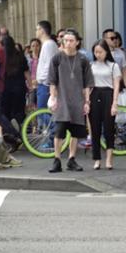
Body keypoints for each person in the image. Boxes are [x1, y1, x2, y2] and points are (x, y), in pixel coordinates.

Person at [46, 29, 94, 173]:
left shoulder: (83, 60)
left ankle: (72, 159)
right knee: (59, 132)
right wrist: (53, 98)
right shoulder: (57, 58)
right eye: (65, 40)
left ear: (77, 42)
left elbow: (87, 83)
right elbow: (52, 81)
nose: (67, 43)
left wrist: (87, 102)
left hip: (78, 101)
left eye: (71, 40)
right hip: (62, 100)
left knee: (75, 132)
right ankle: (57, 159)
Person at [88, 40, 121, 171]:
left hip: (108, 94)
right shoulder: (90, 65)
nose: (98, 54)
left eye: (100, 52)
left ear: (106, 51)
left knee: (109, 129)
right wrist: (86, 101)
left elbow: (116, 85)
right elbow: (87, 85)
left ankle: (109, 159)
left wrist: (115, 103)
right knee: (95, 130)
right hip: (94, 94)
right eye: (96, 52)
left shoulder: (113, 66)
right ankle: (97, 159)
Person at [34, 20, 59, 122]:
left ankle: (54, 133)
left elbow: (49, 65)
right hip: (45, 84)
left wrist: (41, 79)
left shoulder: (48, 44)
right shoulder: (48, 44)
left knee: (42, 112)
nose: (36, 32)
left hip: (45, 85)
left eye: (37, 29)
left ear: (41, 30)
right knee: (44, 111)